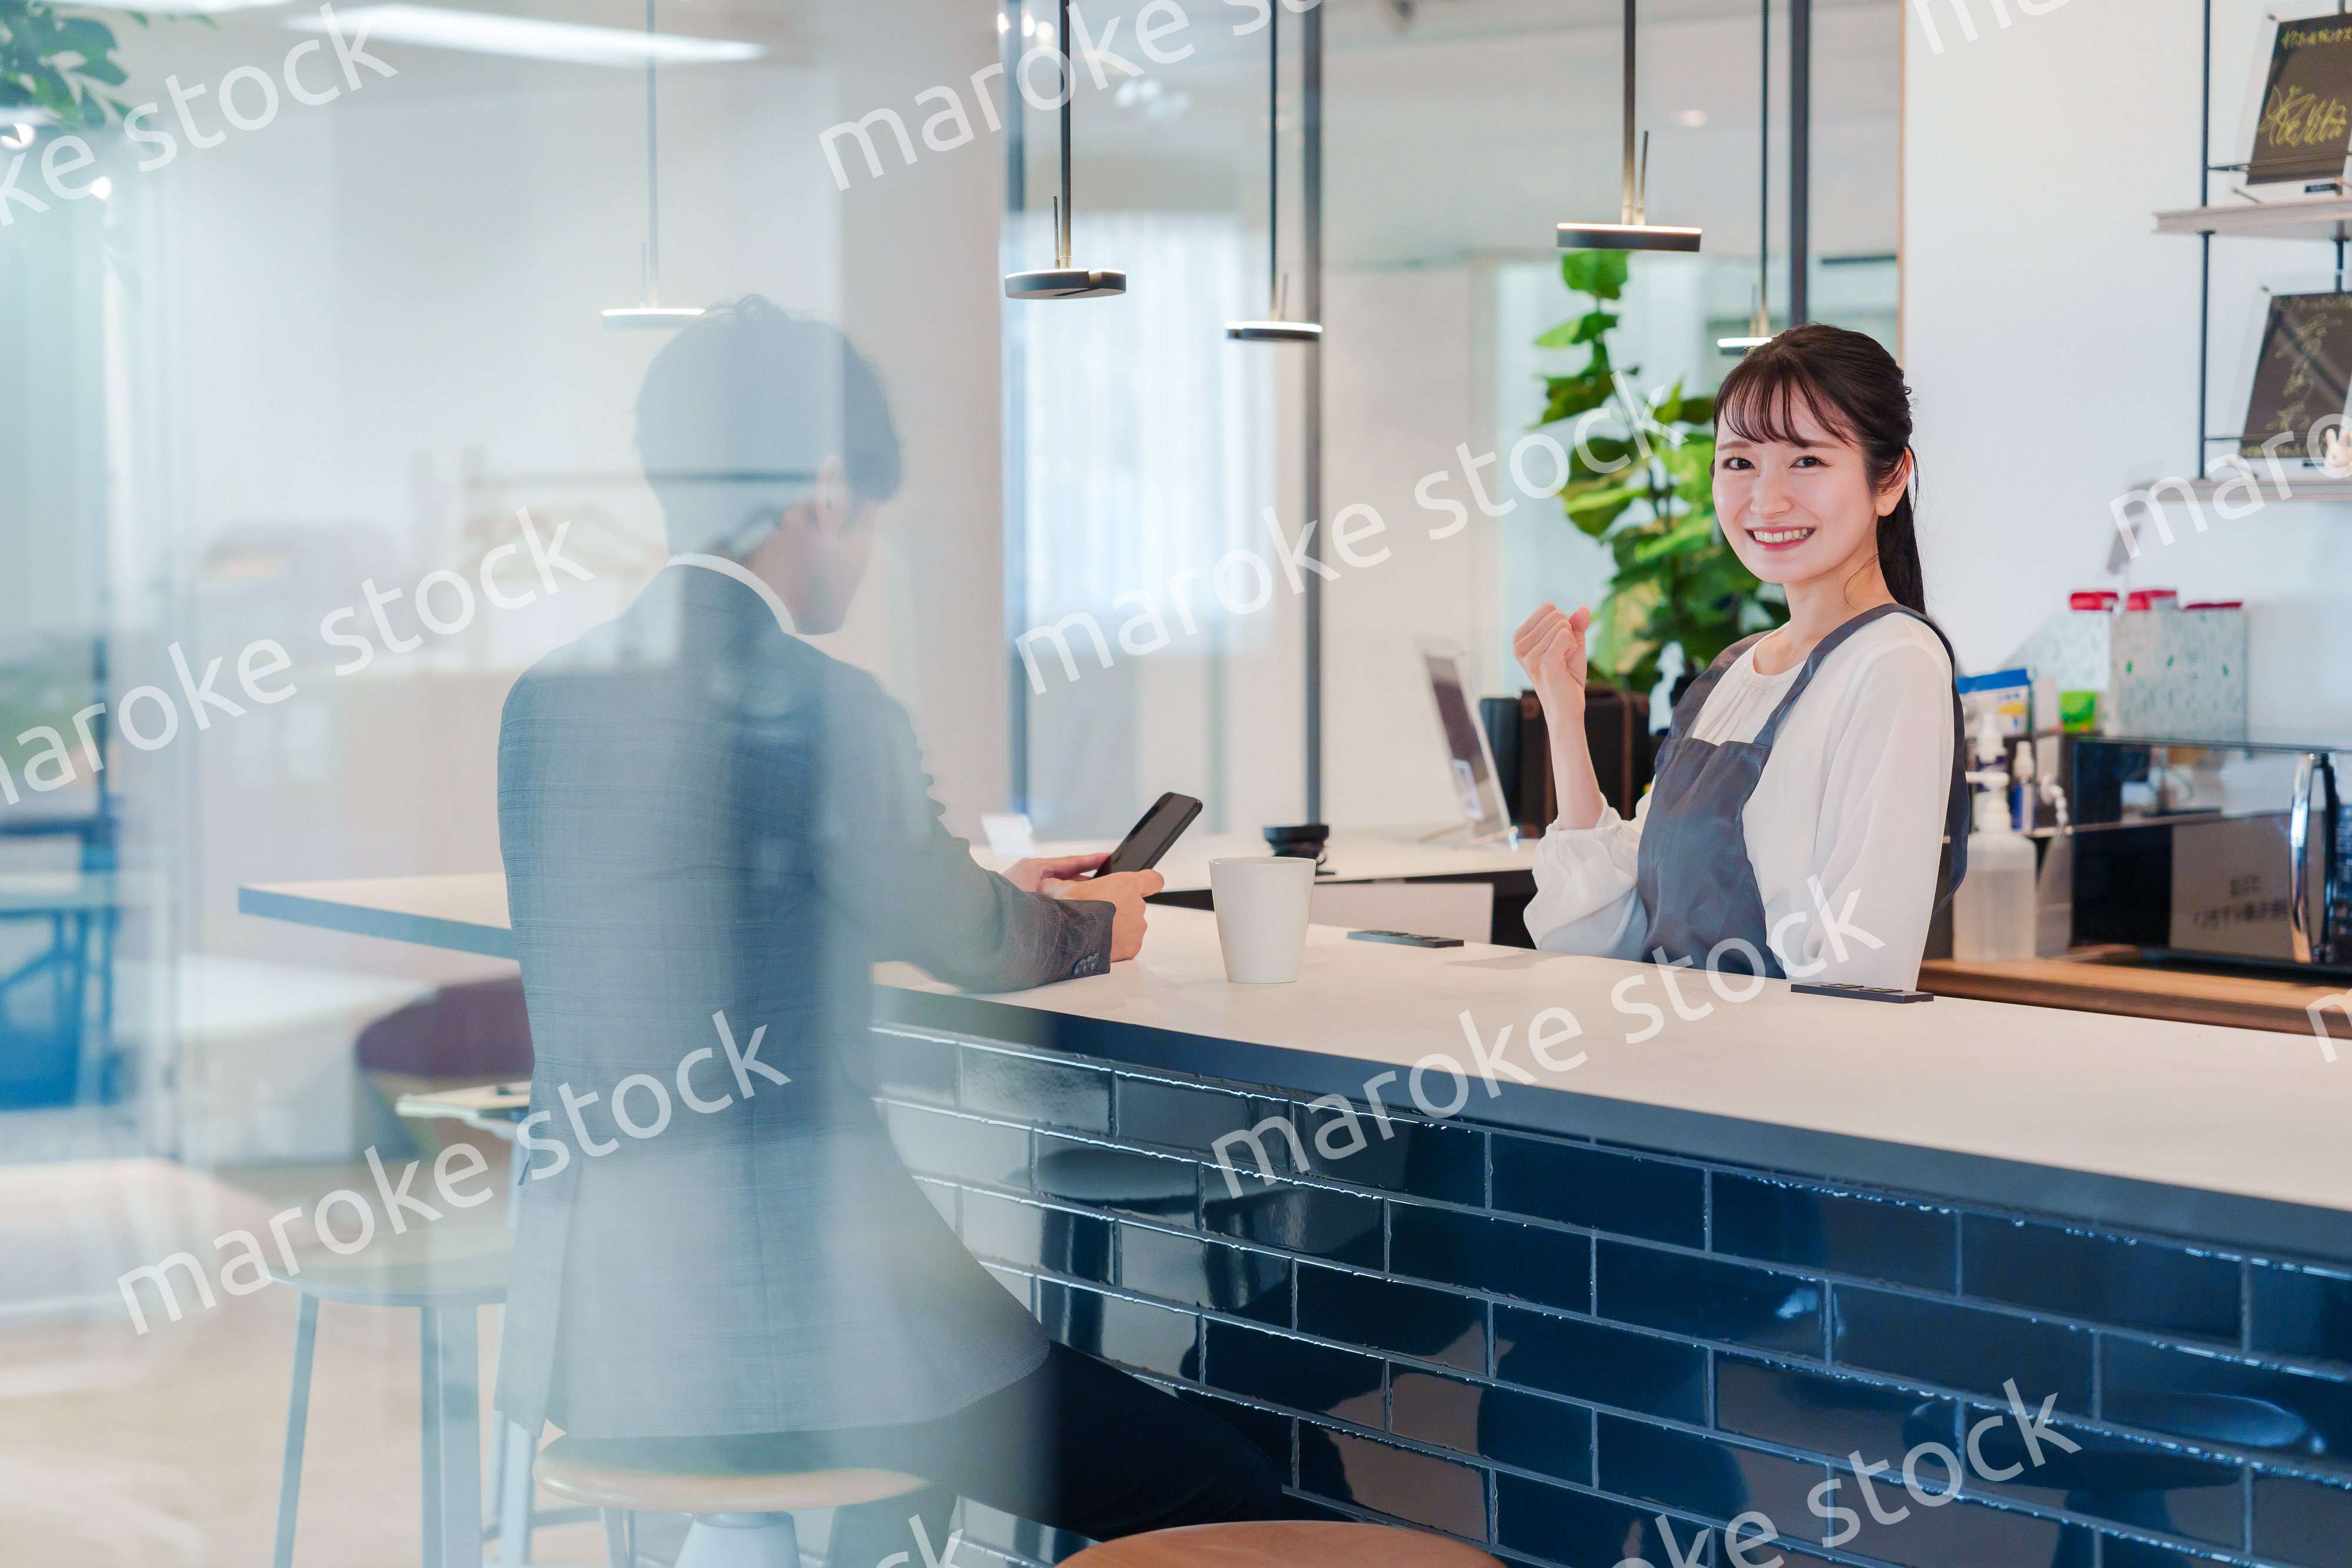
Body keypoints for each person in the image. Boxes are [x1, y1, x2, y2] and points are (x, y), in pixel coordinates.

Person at [491, 297, 1291, 1566]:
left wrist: (977, 880)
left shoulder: (550, 694)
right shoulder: (818, 700)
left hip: (616, 1329)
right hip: (807, 1325)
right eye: (868, 515)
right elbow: (983, 946)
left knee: (902, 1496)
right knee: (1224, 1491)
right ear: (821, 490)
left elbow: (734, 905)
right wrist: (1097, 921)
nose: (864, 555)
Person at [1516, 323, 1967, 987]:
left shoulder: (1893, 662)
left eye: (1807, 460)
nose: (1766, 499)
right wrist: (1563, 714)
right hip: (1677, 1071)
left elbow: (1861, 969)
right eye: (1739, 462)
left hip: (1774, 1084)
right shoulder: (1734, 671)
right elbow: (1603, 938)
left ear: (1890, 480)